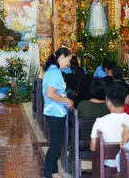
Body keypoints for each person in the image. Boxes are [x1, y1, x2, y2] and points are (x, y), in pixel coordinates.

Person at [42, 48, 74, 178]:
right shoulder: (54, 73)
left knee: (57, 142)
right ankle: (47, 173)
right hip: (54, 111)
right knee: (55, 144)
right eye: (68, 60)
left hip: (56, 111)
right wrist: (66, 100)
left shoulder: (53, 71)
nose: (69, 63)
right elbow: (50, 93)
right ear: (61, 57)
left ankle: (54, 171)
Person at [90, 83, 129, 167]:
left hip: (109, 166)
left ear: (108, 101)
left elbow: (93, 147)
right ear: (125, 100)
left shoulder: (100, 122)